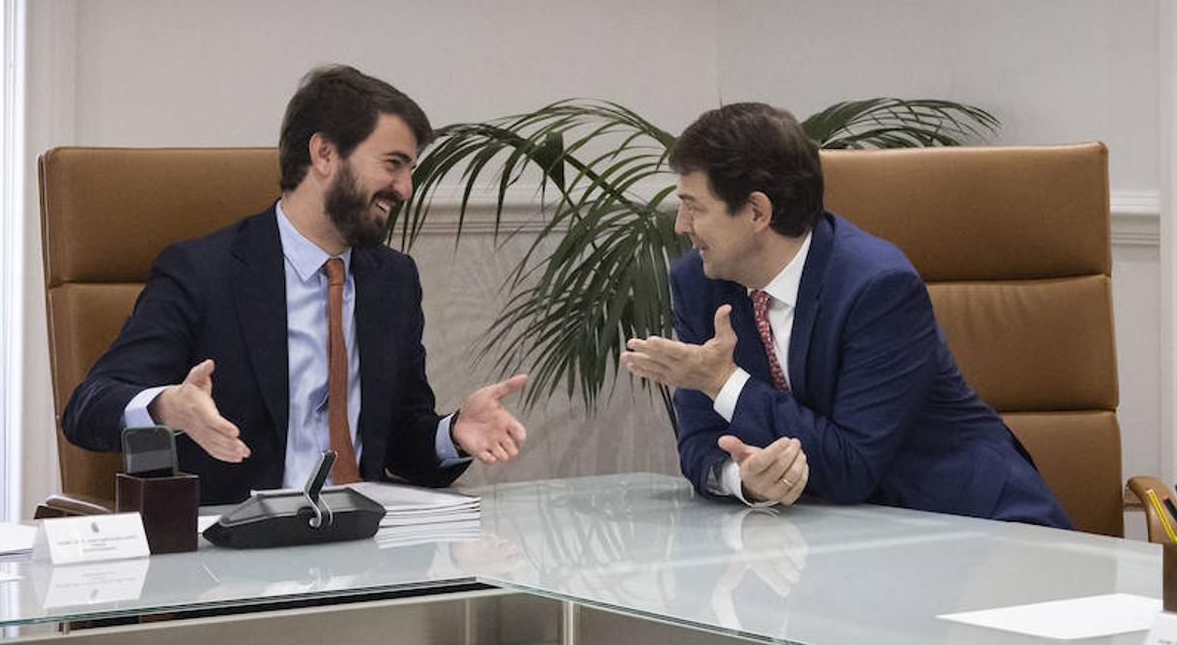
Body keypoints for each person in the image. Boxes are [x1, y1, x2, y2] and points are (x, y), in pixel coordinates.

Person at [63, 65, 528, 505]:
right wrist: (168, 407)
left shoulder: (392, 280)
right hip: (236, 562)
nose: (405, 188)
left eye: (409, 170)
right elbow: (88, 407)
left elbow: (401, 439)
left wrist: (453, 433)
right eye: (393, 164)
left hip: (367, 552)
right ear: (324, 153)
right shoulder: (202, 272)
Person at [622, 102, 1070, 527]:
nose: (681, 225)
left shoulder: (877, 287)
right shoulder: (700, 284)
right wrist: (747, 481)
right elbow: (699, 443)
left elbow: (851, 463)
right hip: (839, 537)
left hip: (975, 527)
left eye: (694, 206)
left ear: (757, 211)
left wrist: (721, 381)